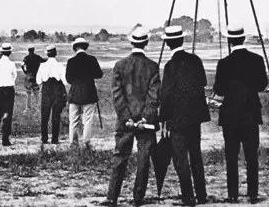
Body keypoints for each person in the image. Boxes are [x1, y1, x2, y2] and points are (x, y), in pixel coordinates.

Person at [102, 27, 160, 207]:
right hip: (146, 123)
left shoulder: (120, 65)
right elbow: (153, 96)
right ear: (146, 42)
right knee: (144, 158)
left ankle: (112, 198)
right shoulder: (152, 66)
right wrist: (144, 118)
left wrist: (126, 117)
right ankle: (138, 198)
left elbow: (117, 95)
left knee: (120, 156)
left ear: (131, 42)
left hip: (125, 121)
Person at [213, 25, 268, 204]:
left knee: (231, 156)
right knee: (252, 156)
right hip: (251, 114)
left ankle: (232, 194)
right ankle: (252, 193)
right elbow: (262, 85)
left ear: (229, 41)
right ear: (243, 39)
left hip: (230, 116)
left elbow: (219, 90)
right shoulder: (257, 60)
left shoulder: (224, 63)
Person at [159, 25, 210, 206]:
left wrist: (163, 117)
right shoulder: (195, 60)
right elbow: (203, 82)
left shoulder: (170, 66)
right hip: (194, 118)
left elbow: (165, 95)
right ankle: (202, 195)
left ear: (168, 44)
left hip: (176, 118)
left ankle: (188, 197)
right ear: (182, 40)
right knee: (195, 155)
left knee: (181, 159)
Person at [65, 37, 103, 148]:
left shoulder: (70, 61)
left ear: (75, 47)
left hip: (75, 92)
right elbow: (99, 74)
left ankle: (73, 143)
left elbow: (68, 79)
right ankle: (86, 142)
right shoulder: (92, 59)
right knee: (87, 119)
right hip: (89, 92)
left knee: (73, 120)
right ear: (85, 47)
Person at [36, 44, 68, 144]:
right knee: (56, 116)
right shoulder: (60, 66)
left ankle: (44, 138)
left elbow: (38, 80)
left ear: (47, 54)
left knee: (44, 115)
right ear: (56, 54)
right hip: (57, 90)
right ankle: (55, 139)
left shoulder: (42, 66)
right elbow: (65, 81)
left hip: (46, 90)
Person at [0, 43, 18, 146]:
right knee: (7, 115)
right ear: (10, 52)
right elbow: (14, 77)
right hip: (8, 91)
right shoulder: (11, 64)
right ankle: (5, 139)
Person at [21, 45, 44, 113]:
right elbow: (43, 61)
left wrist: (25, 71)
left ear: (28, 50)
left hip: (28, 76)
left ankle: (28, 108)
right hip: (36, 76)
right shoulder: (37, 57)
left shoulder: (26, 58)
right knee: (36, 93)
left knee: (28, 93)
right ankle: (38, 108)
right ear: (34, 50)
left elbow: (22, 65)